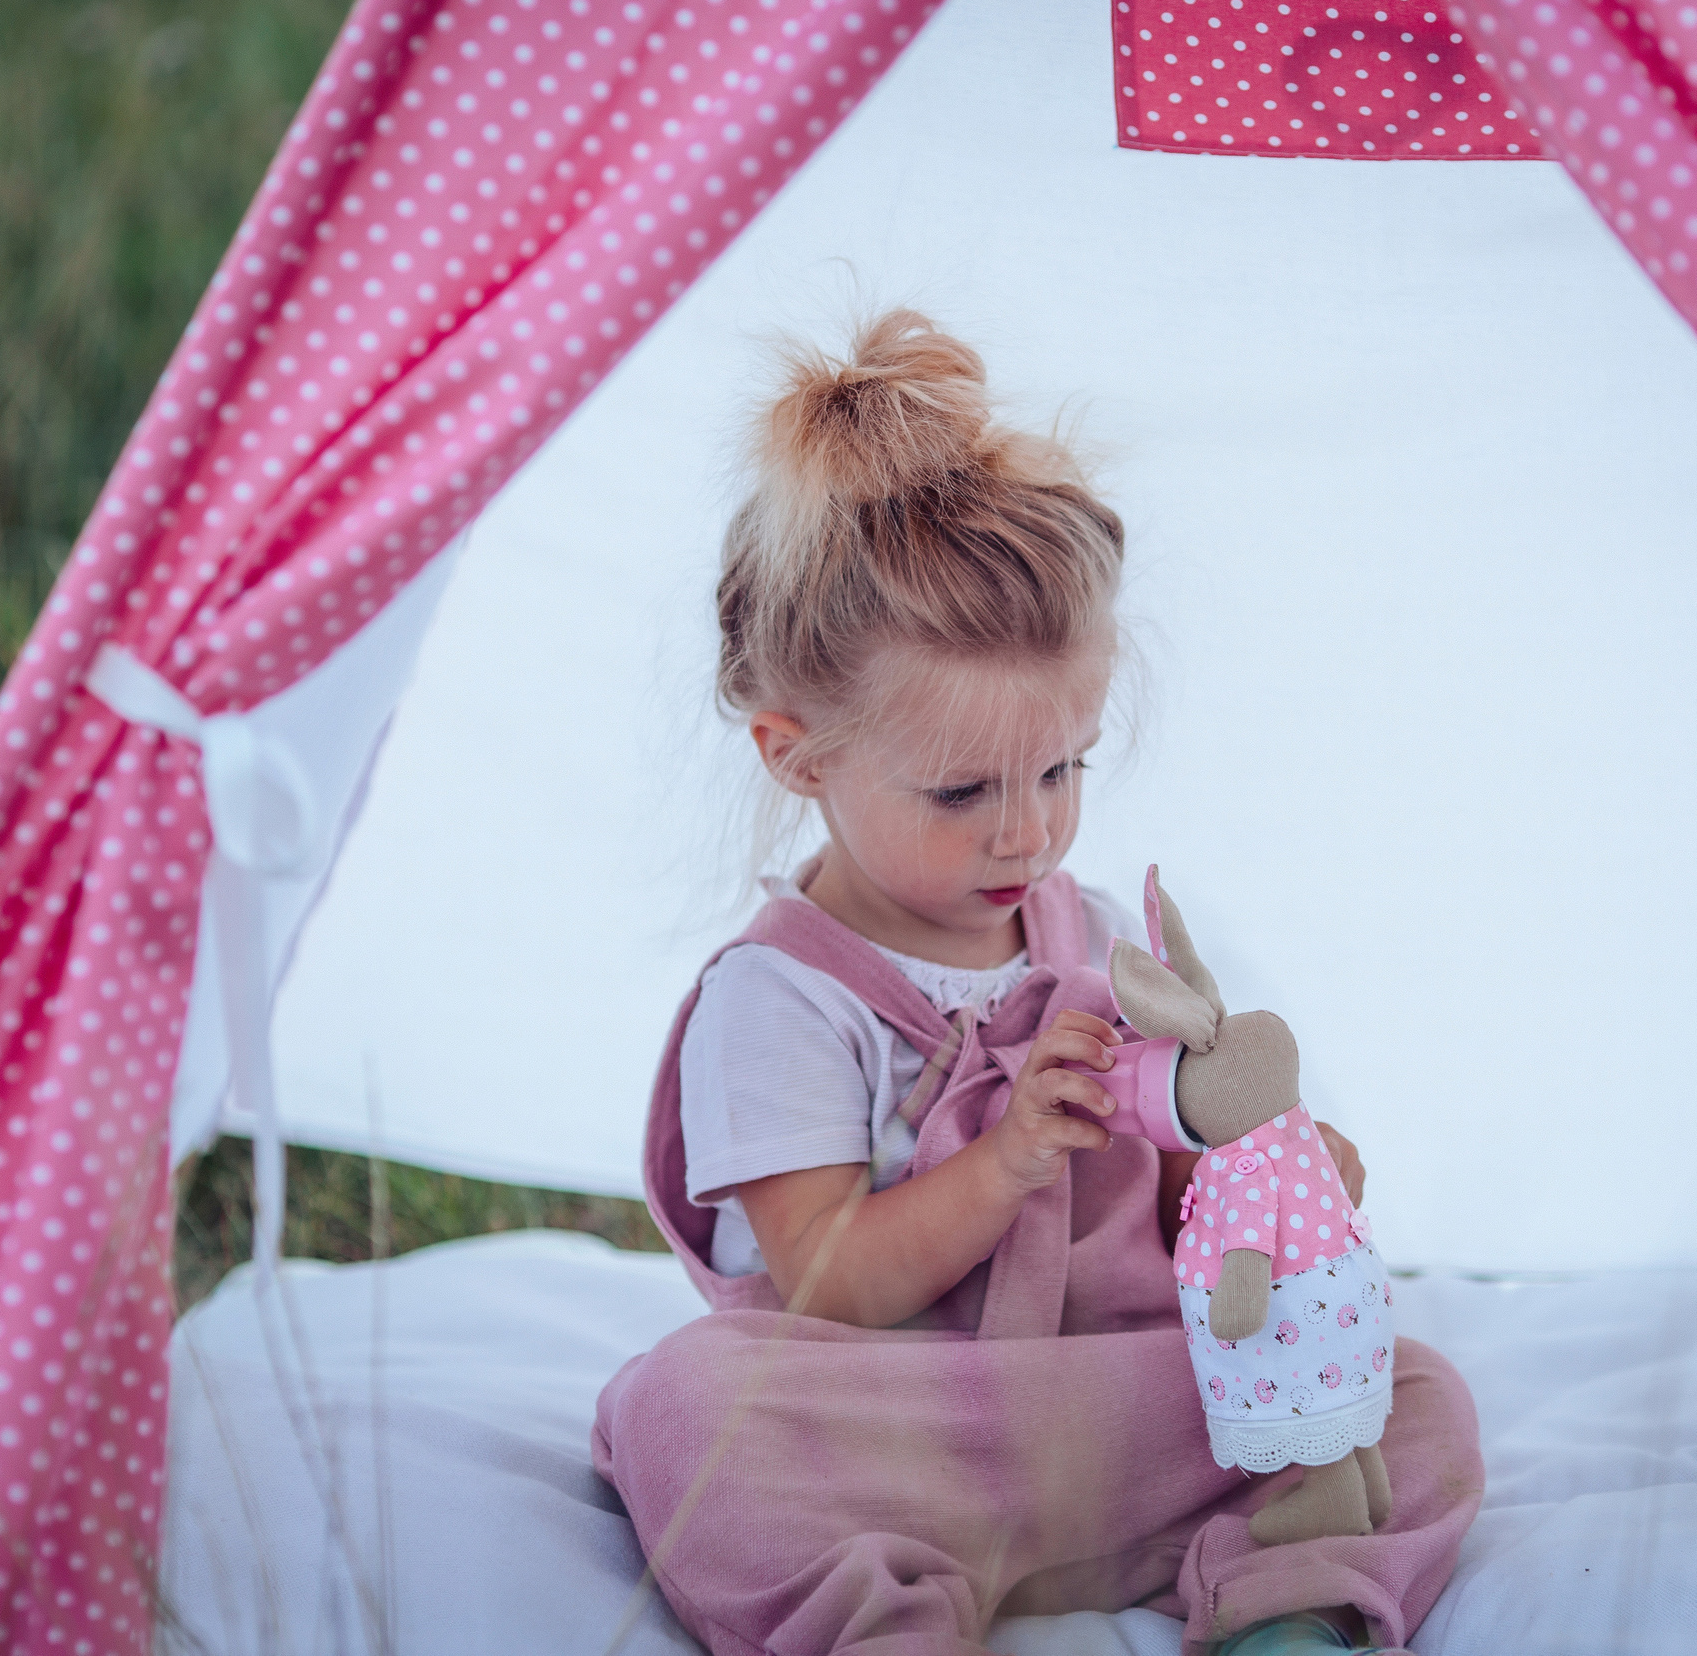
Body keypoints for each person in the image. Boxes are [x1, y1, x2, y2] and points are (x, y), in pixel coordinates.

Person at [591, 310, 1482, 1654]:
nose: (1028, 829)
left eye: (1064, 769)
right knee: (688, 1411)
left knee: (1405, 1394)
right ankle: (891, 1618)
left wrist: (1265, 1175)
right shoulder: (782, 999)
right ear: (796, 755)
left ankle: (1284, 1607)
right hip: (906, 1431)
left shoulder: (1100, 938)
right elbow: (828, 1277)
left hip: (1118, 1407)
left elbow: (1184, 1195)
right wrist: (1003, 1163)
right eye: (962, 791)